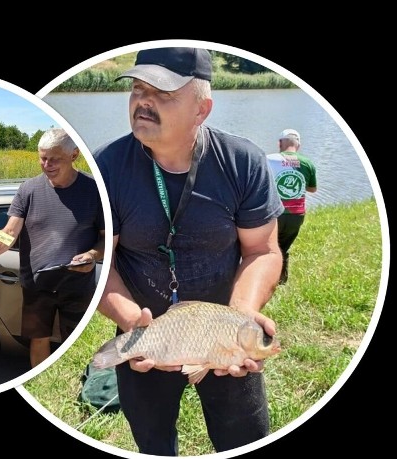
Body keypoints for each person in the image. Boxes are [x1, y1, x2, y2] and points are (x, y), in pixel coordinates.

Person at [91, 47, 284, 455]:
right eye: (138, 88)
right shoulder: (107, 167)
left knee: (244, 440)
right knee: (152, 443)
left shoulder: (242, 161)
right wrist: (132, 324)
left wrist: (242, 314)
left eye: (162, 92)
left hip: (223, 332)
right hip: (144, 330)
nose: (144, 100)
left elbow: (263, 251)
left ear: (202, 109)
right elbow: (100, 263)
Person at [0, 128, 104, 368]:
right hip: (37, 286)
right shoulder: (28, 190)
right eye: (42, 157)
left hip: (77, 286)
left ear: (74, 155)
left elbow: (106, 239)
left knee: (77, 343)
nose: (46, 164)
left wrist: (91, 255)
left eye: (54, 158)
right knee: (38, 341)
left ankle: (77, 385)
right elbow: (9, 233)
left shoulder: (94, 190)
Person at [266, 128, 317, 284]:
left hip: (275, 213)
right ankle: (282, 279)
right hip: (297, 215)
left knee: (268, 248)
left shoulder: (269, 159)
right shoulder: (307, 163)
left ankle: (267, 279)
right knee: (284, 247)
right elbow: (312, 189)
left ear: (280, 143)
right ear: (298, 146)